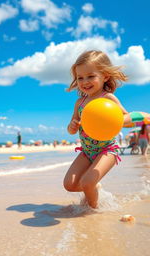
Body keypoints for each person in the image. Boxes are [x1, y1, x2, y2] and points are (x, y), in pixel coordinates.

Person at [63, 50, 130, 209]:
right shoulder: (80, 103)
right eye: (80, 78)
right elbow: (72, 129)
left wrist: (115, 119)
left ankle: (93, 212)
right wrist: (72, 126)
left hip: (107, 150)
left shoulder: (108, 98)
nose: (85, 81)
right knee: (69, 184)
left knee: (86, 182)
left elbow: (126, 118)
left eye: (90, 76)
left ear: (105, 76)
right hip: (87, 151)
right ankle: (93, 187)